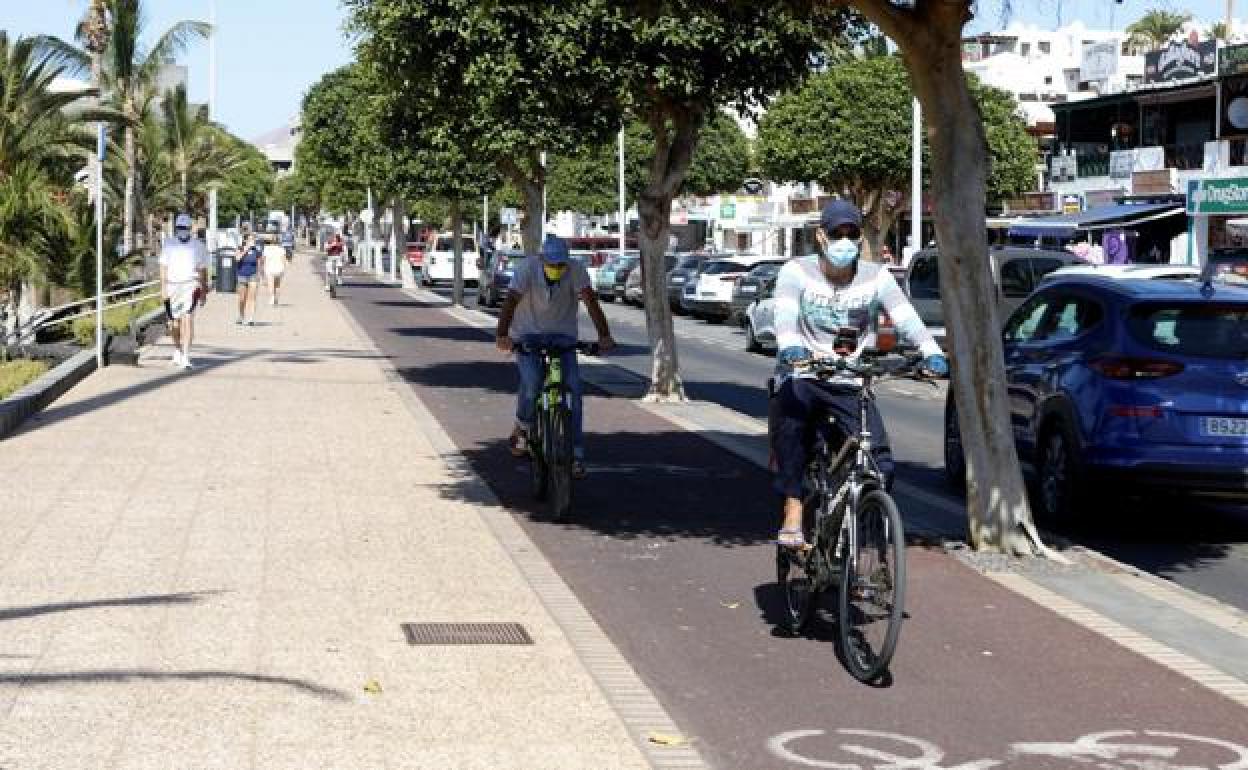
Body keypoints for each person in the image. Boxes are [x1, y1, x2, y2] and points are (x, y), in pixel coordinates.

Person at [770, 200, 948, 548]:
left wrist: (931, 352)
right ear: (821, 236)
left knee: (879, 461)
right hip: (804, 374)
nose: (846, 241)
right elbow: (785, 314)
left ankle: (858, 539)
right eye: (838, 233)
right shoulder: (797, 271)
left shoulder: (876, 277)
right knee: (792, 431)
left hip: (849, 379)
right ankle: (793, 510)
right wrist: (790, 345)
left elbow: (905, 316)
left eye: (852, 234)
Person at [495, 234, 616, 479]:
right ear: (541, 259)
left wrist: (604, 335)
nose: (557, 268)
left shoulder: (576, 270)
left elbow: (591, 303)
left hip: (563, 335)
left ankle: (577, 455)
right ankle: (524, 427)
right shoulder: (527, 268)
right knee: (532, 383)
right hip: (528, 333)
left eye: (561, 264)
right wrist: (502, 335)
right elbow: (510, 302)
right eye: (552, 264)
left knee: (574, 390)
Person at [158, 213, 210, 370]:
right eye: (180, 228)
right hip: (172, 286)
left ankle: (186, 355)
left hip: (190, 286)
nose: (182, 230)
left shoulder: (198, 246)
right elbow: (163, 267)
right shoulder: (169, 244)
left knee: (187, 319)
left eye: (185, 228)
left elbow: (203, 270)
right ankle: (178, 350)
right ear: (176, 229)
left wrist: (203, 290)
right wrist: (163, 288)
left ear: (190, 229)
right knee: (174, 323)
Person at [234, 233, 264, 325]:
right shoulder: (240, 248)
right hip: (242, 275)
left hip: (253, 275)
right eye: (250, 239)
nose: (252, 241)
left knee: (252, 297)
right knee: (242, 298)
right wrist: (246, 249)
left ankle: (251, 318)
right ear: (246, 240)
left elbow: (259, 262)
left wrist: (260, 275)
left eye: (253, 240)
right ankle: (241, 315)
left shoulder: (257, 250)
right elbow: (237, 259)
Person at [262, 234, 287, 305]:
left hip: (270, 268)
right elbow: (284, 260)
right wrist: (285, 268)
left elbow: (264, 259)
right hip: (279, 268)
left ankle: (272, 298)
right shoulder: (281, 249)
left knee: (271, 284)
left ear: (270, 241)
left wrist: (263, 267)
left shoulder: (266, 248)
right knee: (277, 285)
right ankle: (276, 299)